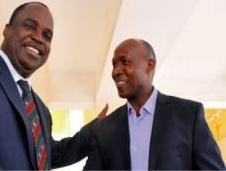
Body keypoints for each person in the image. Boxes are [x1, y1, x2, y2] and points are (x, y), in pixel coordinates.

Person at [0, 2, 107, 170]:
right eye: (29, 26)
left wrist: (94, 130)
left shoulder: (42, 111)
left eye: (47, 36)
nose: (38, 38)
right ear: (7, 30)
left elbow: (49, 155)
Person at [83, 38, 225, 170]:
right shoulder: (105, 128)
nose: (116, 71)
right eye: (114, 64)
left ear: (149, 65)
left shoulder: (188, 115)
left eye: (124, 62)